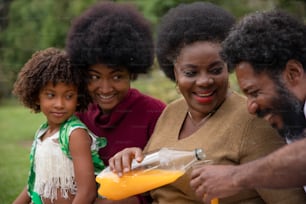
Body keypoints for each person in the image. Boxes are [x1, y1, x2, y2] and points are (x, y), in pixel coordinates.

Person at [108, 2, 306, 204]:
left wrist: (235, 177)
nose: (204, 81)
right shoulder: (172, 112)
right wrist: (132, 161)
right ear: (174, 72)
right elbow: (151, 186)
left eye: (215, 70)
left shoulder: (252, 121)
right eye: (191, 73)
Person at [190, 9, 306, 203]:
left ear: (293, 73)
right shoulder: (292, 118)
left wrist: (235, 177)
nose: (251, 107)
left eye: (254, 93)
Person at [65, 2, 166, 204]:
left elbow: (165, 176)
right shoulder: (78, 114)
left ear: (132, 72)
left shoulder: (156, 113)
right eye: (94, 77)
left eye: (117, 77)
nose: (105, 88)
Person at [12, 48, 106, 204]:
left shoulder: (75, 134)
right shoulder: (42, 133)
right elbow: (35, 183)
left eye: (69, 96)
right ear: (36, 97)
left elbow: (87, 192)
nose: (60, 104)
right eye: (51, 95)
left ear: (78, 98)